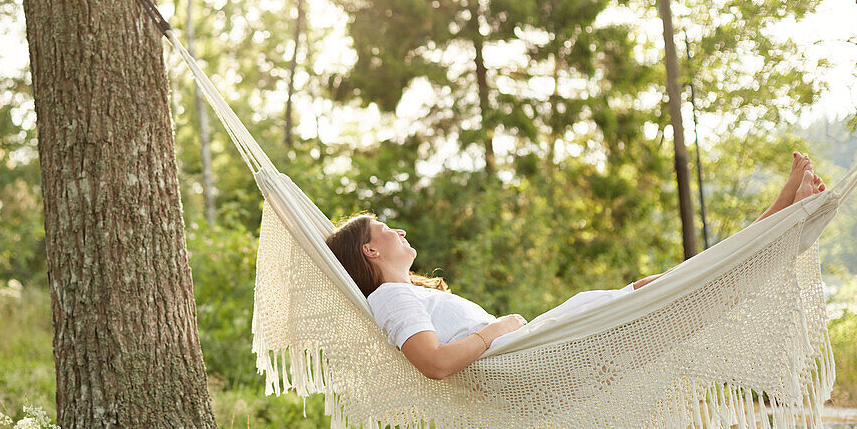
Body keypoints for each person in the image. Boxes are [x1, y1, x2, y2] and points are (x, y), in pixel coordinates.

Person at [325, 153, 826, 380]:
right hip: (538, 352)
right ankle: (782, 222)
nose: (400, 232)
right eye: (386, 230)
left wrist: (500, 332)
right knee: (680, 296)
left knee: (674, 292)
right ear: (370, 251)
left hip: (546, 343)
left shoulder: (401, 296)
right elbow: (433, 364)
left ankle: (781, 218)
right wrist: (496, 329)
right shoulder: (392, 296)